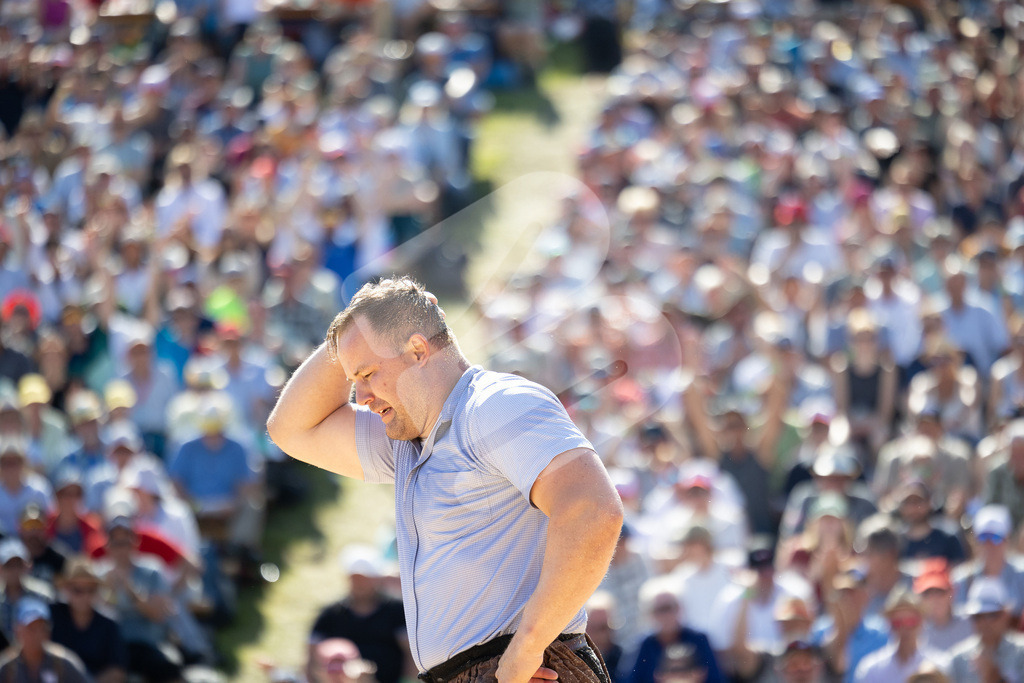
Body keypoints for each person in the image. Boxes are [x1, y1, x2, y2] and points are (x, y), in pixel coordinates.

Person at [267, 277, 623, 683]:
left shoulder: (494, 404)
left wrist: (525, 651)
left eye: (366, 373)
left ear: (418, 350)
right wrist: (360, 324)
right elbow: (289, 429)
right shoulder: (405, 440)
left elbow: (594, 511)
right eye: (354, 380)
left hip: (525, 668)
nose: (360, 396)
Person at [308, 545, 409, 683]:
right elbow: (311, 655)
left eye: (365, 578)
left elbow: (409, 652)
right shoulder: (331, 614)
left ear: (375, 579)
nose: (360, 584)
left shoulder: (396, 611)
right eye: (355, 578)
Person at [50, 556, 128, 683]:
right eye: (78, 590)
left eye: (91, 590)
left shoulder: (109, 623)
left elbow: (117, 670)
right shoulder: (52, 616)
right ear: (66, 589)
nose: (85, 596)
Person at [625, 584, 722, 683]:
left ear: (679, 608)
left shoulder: (699, 639)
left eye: (669, 607)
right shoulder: (643, 645)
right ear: (650, 613)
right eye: (660, 610)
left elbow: (716, 678)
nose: (666, 615)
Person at [852, 589, 944, 682]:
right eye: (897, 623)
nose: (904, 629)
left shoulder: (938, 665)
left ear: (921, 622)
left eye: (910, 622)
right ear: (889, 625)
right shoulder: (871, 670)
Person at [946, 578, 1024, 683]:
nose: (985, 623)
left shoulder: (1021, 652)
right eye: (978, 616)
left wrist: (997, 679)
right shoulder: (958, 659)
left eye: (992, 615)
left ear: (1006, 615)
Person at [0, 597, 90, 683]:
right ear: (17, 630)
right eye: (31, 628)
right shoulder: (7, 668)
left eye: (42, 628)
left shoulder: (63, 663)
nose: (37, 634)